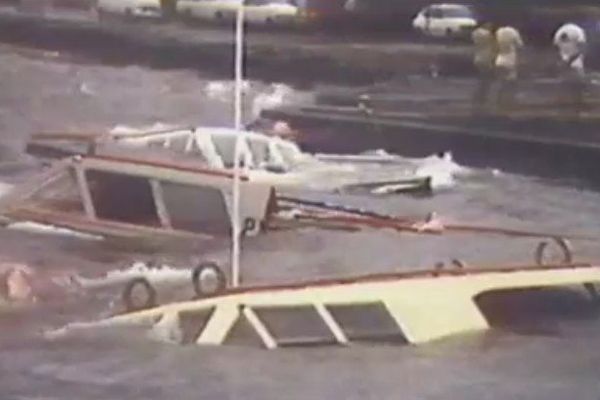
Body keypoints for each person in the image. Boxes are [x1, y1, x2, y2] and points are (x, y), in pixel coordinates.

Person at [553, 23, 587, 111]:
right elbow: (583, 46)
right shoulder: (578, 31)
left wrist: (563, 61)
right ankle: (575, 104)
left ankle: (570, 105)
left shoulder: (559, 32)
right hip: (574, 62)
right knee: (575, 84)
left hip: (570, 62)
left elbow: (555, 47)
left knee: (569, 84)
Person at [494, 25, 524, 109]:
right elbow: (520, 45)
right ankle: (509, 101)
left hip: (499, 59)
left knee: (501, 81)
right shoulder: (513, 31)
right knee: (511, 82)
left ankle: (498, 100)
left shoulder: (498, 31)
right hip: (510, 60)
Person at [471, 22, 497, 110]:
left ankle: (479, 97)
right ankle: (480, 97)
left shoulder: (475, 33)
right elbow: (493, 42)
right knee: (486, 79)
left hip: (478, 57)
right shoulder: (487, 34)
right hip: (486, 59)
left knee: (483, 78)